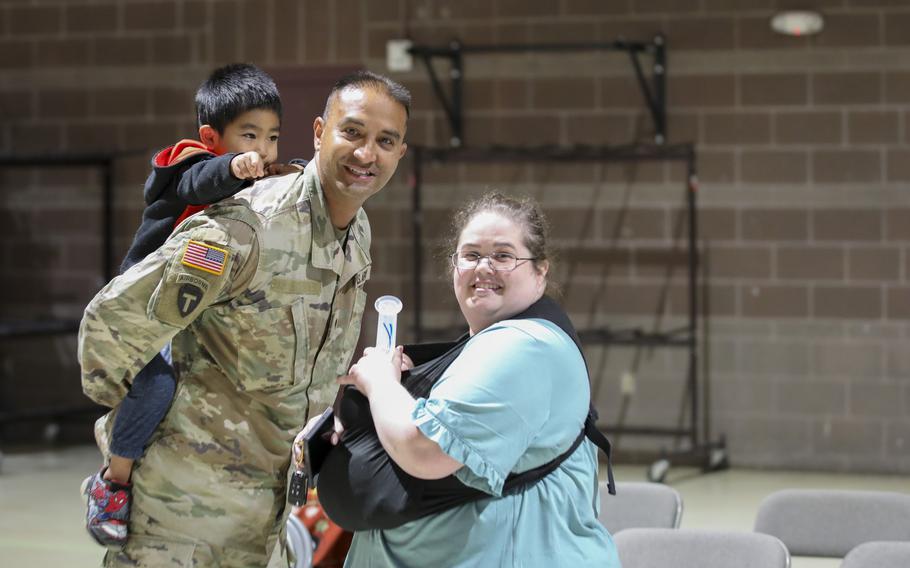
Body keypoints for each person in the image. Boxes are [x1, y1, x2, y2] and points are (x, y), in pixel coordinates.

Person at [77, 70, 410, 567]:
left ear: (400, 154)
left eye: (386, 141)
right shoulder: (246, 227)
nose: (367, 154)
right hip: (180, 524)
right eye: (353, 132)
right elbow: (110, 326)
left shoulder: (356, 231)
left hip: (261, 523)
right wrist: (133, 432)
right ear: (319, 132)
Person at [326, 193, 620, 567]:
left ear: (540, 271)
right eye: (471, 255)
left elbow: (424, 448)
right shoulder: (486, 346)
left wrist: (380, 384)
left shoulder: (524, 348)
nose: (484, 267)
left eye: (503, 256)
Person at [81, 62, 306, 549]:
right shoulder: (183, 163)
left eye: (271, 137)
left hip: (195, 313)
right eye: (249, 136)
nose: (263, 150)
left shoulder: (257, 177)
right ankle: (112, 482)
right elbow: (198, 183)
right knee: (157, 385)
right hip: (149, 310)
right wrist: (231, 167)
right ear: (211, 135)